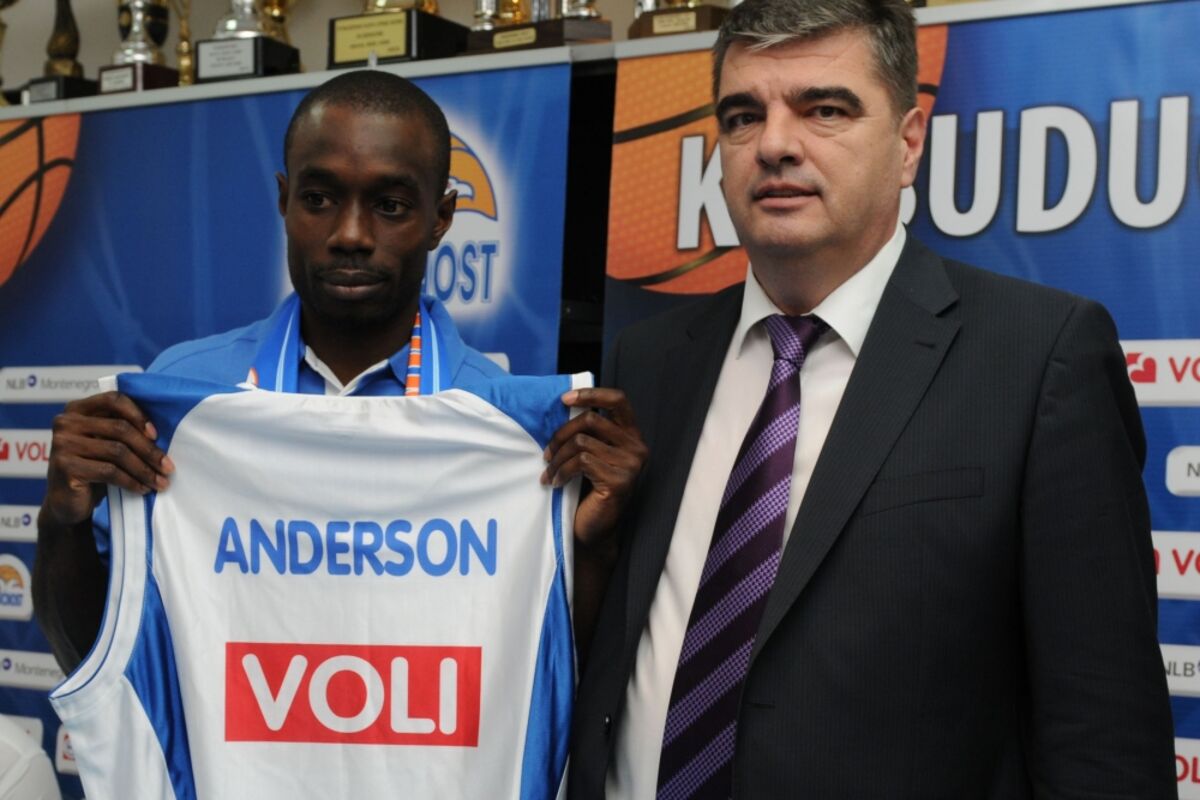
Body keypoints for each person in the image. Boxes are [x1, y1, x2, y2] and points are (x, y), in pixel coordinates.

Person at [569, 1, 1176, 798]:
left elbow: (1104, 731)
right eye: (743, 116)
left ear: (908, 143)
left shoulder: (1038, 359)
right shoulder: (649, 359)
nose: (775, 144)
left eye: (824, 109)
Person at [33, 69, 645, 676]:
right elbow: (94, 665)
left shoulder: (511, 429)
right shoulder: (183, 398)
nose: (350, 235)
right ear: (284, 200)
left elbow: (546, 688)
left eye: (390, 205)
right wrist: (65, 523)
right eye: (319, 200)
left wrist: (594, 549)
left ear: (441, 218)